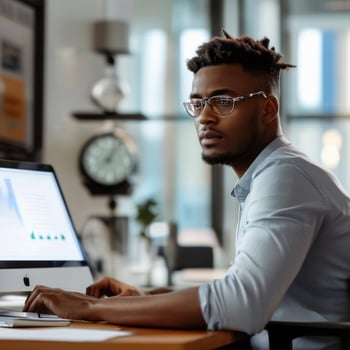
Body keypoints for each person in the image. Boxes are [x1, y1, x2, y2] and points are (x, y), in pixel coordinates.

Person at [24, 31, 350, 350]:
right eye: (198, 103)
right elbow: (243, 287)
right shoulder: (275, 173)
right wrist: (147, 299)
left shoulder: (285, 177)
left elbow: (240, 303)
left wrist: (89, 309)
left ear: (268, 110)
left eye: (223, 102)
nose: (205, 118)